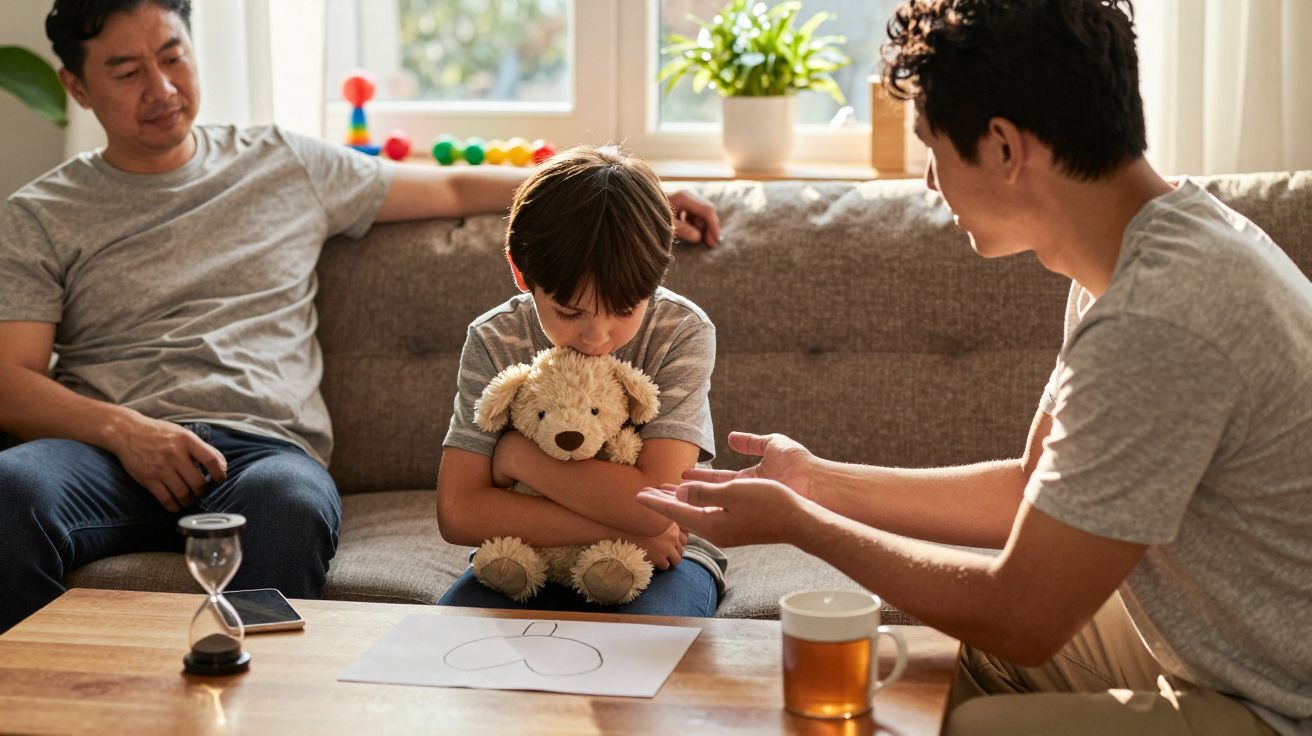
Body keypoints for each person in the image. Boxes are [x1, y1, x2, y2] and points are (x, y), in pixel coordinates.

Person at [637, 1, 1311, 734]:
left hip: (1280, 703)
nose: (929, 181)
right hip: (1234, 650)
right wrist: (818, 483)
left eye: (933, 146)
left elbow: (1024, 618)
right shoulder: (1132, 254)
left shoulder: (1159, 316)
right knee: (929, 662)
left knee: (967, 725)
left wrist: (802, 526)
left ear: (1002, 147)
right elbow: (1031, 490)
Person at [0, 0, 719, 634]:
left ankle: (251, 703)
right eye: (126, 72)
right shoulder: (40, 215)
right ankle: (38, 696)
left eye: (173, 56)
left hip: (261, 448)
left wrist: (633, 193)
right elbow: (11, 380)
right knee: (12, 490)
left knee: (290, 507)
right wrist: (123, 431)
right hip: (103, 450)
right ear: (75, 84)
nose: (160, 88)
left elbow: (455, 184)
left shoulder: (284, 163)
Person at [436, 145, 726, 617]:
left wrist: (519, 457)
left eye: (624, 310)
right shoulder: (495, 339)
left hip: (665, 559)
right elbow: (458, 511)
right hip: (525, 555)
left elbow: (659, 508)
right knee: (452, 651)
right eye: (569, 312)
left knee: (642, 656)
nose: (596, 336)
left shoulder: (682, 331)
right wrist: (625, 530)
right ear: (520, 272)